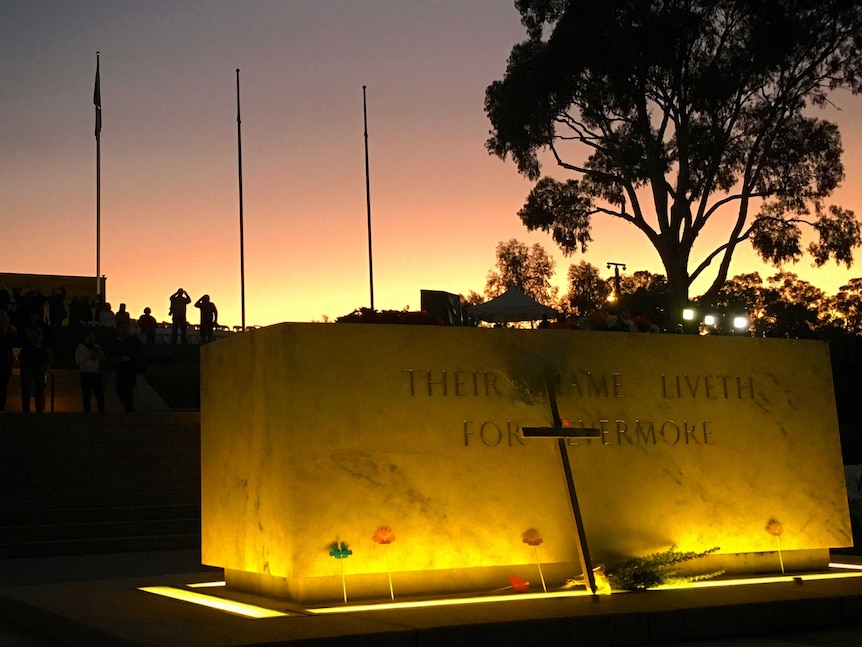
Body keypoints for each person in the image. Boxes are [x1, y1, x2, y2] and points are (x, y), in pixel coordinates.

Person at [19, 311, 51, 413]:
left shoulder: (41, 328)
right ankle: (29, 408)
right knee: (29, 386)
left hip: (36, 359)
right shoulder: (42, 327)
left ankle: (36, 407)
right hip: (31, 359)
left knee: (37, 386)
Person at [111, 320, 144, 412]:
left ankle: (129, 408)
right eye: (122, 329)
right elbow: (112, 353)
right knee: (120, 388)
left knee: (128, 389)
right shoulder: (116, 341)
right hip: (121, 369)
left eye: (126, 328)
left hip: (130, 369)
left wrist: (132, 359)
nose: (124, 330)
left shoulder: (134, 340)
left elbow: (139, 353)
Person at [75, 329, 105, 413]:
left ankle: (101, 410)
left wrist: (100, 355)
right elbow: (78, 361)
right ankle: (87, 411)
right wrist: (89, 355)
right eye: (90, 337)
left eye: (93, 337)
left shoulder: (96, 347)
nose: (92, 339)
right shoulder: (81, 348)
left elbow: (102, 359)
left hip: (96, 373)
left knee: (99, 394)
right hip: (86, 373)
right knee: (86, 394)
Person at [0, 310, 16, 413]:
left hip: (5, 363)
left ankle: (1, 408)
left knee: (3, 388)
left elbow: (15, 341)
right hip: (4, 361)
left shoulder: (10, 331)